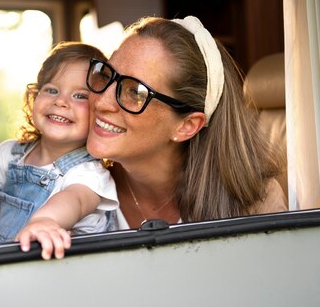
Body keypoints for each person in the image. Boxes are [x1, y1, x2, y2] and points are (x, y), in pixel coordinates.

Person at [22, 16, 286, 241]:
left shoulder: (257, 202)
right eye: (106, 75)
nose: (101, 102)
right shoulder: (67, 187)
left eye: (134, 92)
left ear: (187, 126)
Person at [0, 42, 118, 259]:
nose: (61, 101)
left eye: (80, 96)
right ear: (34, 97)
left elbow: (75, 200)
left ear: (99, 110)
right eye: (52, 90)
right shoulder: (9, 155)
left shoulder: (88, 173)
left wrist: (47, 221)